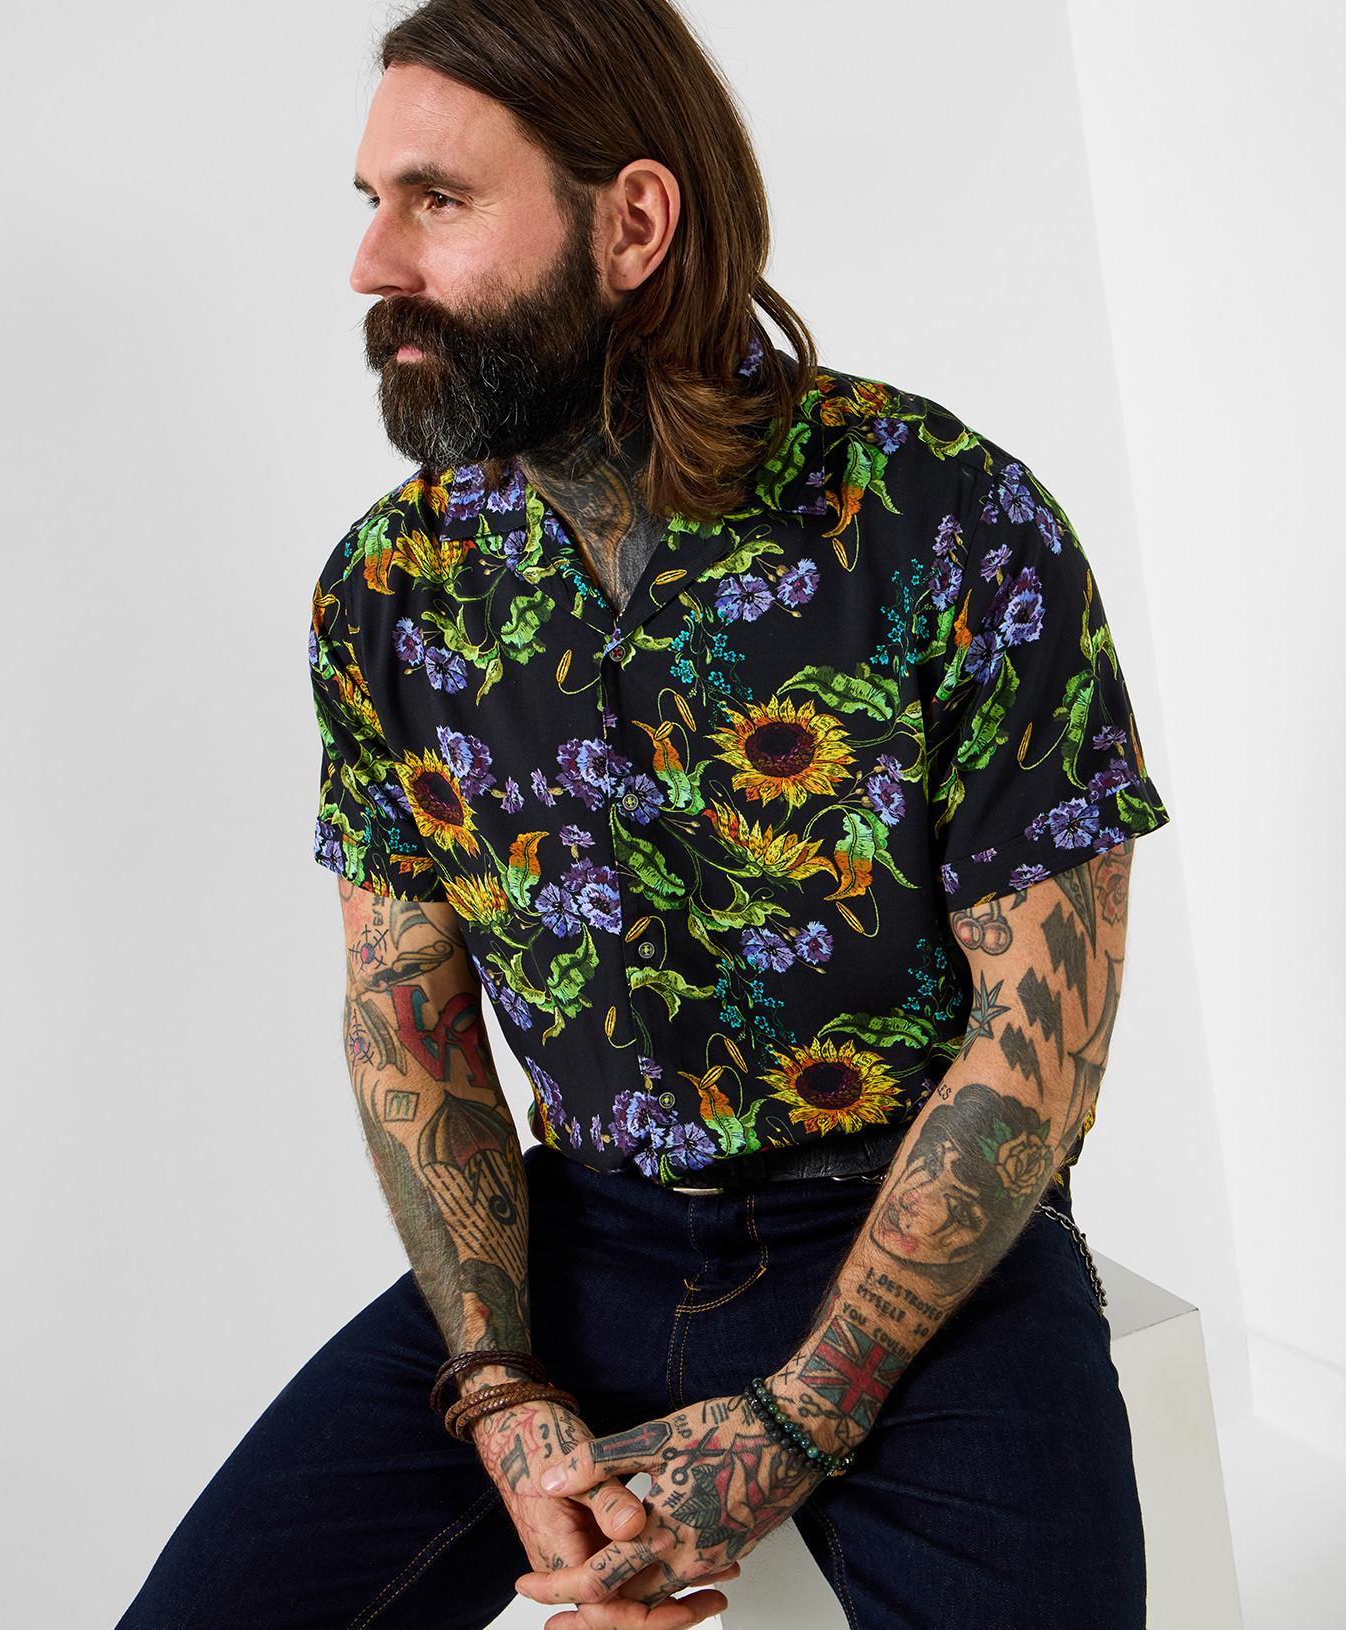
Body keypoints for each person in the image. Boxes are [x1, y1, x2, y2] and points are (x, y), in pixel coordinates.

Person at [116, 3, 1172, 1627]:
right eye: (373, 201)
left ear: (631, 224)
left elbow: (1045, 1039)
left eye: (437, 201)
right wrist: (499, 1384)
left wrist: (798, 1418)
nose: (372, 263)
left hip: (927, 1245)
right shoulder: (389, 591)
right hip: (579, 1241)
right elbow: (406, 1013)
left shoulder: (948, 519)